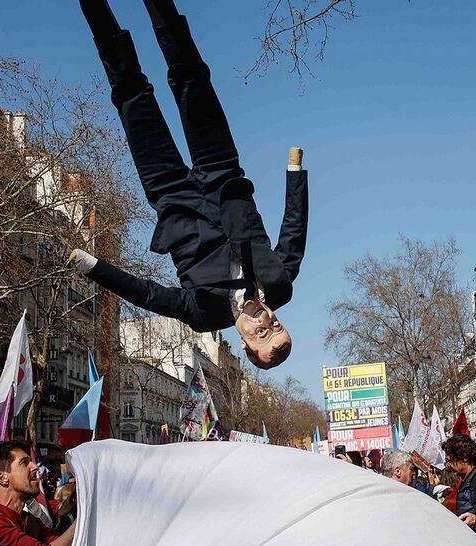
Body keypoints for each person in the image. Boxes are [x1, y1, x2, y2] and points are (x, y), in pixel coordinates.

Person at [71, 0, 306, 370]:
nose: (266, 321)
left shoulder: (204, 314)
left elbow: (149, 295)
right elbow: (293, 232)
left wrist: (94, 266)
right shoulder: (281, 283)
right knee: (191, 78)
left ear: (245, 346)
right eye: (276, 325)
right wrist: (295, 173)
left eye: (263, 334)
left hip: (171, 195)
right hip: (223, 174)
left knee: (131, 94)